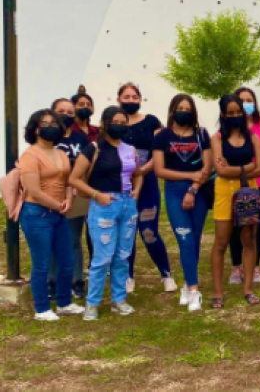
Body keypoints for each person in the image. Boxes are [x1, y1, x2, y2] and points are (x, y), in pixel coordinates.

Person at [69, 106, 144, 321]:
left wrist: (136, 190)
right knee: (102, 257)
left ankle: (118, 299)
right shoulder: (93, 149)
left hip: (127, 205)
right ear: (105, 123)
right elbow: (73, 179)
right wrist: (96, 194)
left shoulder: (130, 149)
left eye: (124, 121)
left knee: (123, 255)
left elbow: (137, 174)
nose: (120, 125)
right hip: (104, 205)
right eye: (116, 121)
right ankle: (92, 303)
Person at [17, 109, 85, 321]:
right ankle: (42, 308)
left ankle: (64, 303)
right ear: (35, 128)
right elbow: (34, 191)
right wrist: (57, 205)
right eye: (44, 123)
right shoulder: (29, 155)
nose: (50, 127)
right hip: (36, 214)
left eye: (54, 124)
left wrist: (68, 201)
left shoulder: (61, 153)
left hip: (59, 213)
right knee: (42, 264)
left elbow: (66, 181)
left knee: (67, 261)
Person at [152, 94, 213, 312]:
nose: (184, 112)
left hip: (199, 191)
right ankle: (195, 291)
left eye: (188, 108)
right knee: (185, 239)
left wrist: (193, 187)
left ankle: (188, 285)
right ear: (172, 110)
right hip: (174, 192)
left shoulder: (201, 134)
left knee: (195, 240)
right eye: (180, 108)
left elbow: (207, 167)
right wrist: (188, 178)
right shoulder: (162, 136)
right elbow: (159, 170)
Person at [209, 94, 260, 309]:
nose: (235, 116)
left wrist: (236, 169)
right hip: (224, 192)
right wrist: (246, 167)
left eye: (238, 112)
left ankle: (248, 289)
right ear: (223, 114)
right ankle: (217, 292)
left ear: (243, 112)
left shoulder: (253, 138)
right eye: (230, 113)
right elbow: (220, 170)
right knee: (221, 241)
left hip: (249, 191)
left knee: (249, 240)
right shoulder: (217, 138)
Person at [117, 83, 174, 293]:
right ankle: (128, 276)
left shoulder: (151, 122)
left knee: (149, 231)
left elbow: (159, 152)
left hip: (147, 184)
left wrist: (141, 172)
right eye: (126, 97)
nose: (130, 100)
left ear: (140, 99)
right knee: (126, 232)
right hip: (121, 186)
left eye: (134, 97)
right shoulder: (114, 122)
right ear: (118, 100)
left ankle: (166, 274)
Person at [228, 87, 260, 285]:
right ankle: (236, 266)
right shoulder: (228, 128)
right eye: (242, 100)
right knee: (235, 226)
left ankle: (254, 266)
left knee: (256, 225)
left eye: (249, 100)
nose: (246, 103)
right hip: (234, 183)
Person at [48, 98, 91, 300]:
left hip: (76, 195)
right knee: (52, 239)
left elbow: (87, 165)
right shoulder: (47, 138)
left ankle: (77, 280)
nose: (65, 114)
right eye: (60, 111)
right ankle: (52, 281)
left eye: (69, 111)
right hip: (51, 195)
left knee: (74, 239)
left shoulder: (80, 138)